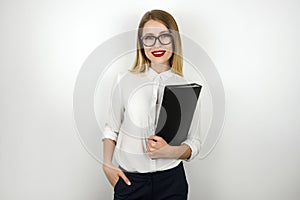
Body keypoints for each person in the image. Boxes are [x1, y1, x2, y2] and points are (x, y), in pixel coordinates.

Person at [102, 9, 202, 200]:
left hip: (172, 182)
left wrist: (170, 151)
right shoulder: (124, 80)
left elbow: (194, 142)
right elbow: (111, 129)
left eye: (164, 36)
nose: (157, 44)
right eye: (149, 38)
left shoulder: (186, 87)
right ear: (141, 43)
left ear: (174, 41)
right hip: (131, 183)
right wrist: (107, 164)